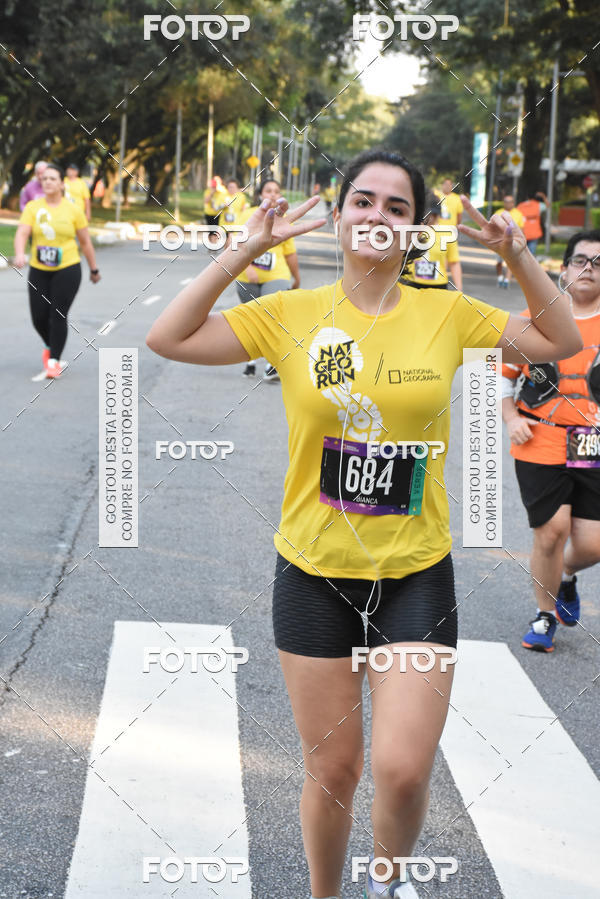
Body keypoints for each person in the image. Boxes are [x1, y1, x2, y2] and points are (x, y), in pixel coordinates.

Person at [145, 148, 581, 899]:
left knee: (403, 769)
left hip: (414, 573)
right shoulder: (291, 313)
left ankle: (385, 882)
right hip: (312, 572)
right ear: (341, 215)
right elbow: (169, 337)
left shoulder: (446, 312)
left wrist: (517, 256)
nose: (378, 215)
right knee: (334, 768)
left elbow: (560, 340)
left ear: (414, 230)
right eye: (364, 201)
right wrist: (244, 250)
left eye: (397, 207)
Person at [502, 229, 600, 653]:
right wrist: (510, 418)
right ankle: (544, 615)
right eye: (580, 260)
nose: (588, 269)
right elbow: (500, 376)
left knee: (593, 543)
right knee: (551, 531)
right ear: (564, 268)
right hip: (539, 437)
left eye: (598, 263)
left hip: (593, 443)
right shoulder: (536, 317)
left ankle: (565, 576)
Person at [14, 163, 101, 378]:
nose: (48, 182)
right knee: (38, 317)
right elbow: (22, 233)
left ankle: (54, 360)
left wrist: (94, 269)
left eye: (52, 179)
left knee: (58, 314)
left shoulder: (73, 210)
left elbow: (85, 242)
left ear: (62, 184)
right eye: (44, 179)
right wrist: (19, 253)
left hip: (67, 268)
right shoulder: (33, 207)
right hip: (39, 269)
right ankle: (49, 344)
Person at [233, 178, 300, 379]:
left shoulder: (284, 219)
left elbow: (290, 252)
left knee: (273, 317)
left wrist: (296, 277)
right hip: (246, 277)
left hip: (277, 275)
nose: (273, 194)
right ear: (260, 194)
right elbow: (234, 242)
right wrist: (247, 267)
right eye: (268, 190)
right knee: (252, 319)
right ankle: (251, 361)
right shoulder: (247, 214)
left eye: (276, 191)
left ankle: (272, 364)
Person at [402, 193, 463, 291]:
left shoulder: (447, 233)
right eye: (428, 214)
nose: (431, 218)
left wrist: (459, 288)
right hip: (410, 284)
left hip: (438, 286)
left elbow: (454, 262)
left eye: (434, 214)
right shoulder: (412, 230)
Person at [495, 195, 525, 287]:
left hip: (512, 242)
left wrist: (521, 240)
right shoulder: (498, 212)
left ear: (513, 203)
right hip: (500, 241)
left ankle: (507, 280)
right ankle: (500, 277)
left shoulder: (518, 214)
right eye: (506, 202)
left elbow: (521, 228)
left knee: (510, 261)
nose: (508, 204)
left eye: (510, 202)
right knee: (499, 262)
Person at [517, 190, 547, 256]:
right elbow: (547, 205)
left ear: (527, 197)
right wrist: (543, 196)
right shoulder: (539, 205)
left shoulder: (520, 206)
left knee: (522, 253)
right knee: (531, 254)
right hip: (534, 233)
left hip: (523, 232)